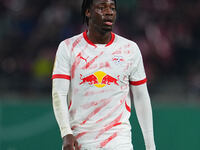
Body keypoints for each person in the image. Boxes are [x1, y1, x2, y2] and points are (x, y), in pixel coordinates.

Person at [52, 0, 156, 149]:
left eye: (112, 8)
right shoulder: (68, 48)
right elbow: (59, 93)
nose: (109, 12)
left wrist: (150, 145)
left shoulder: (129, 49)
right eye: (102, 8)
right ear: (88, 12)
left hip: (119, 142)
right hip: (81, 142)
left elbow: (141, 97)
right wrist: (66, 133)